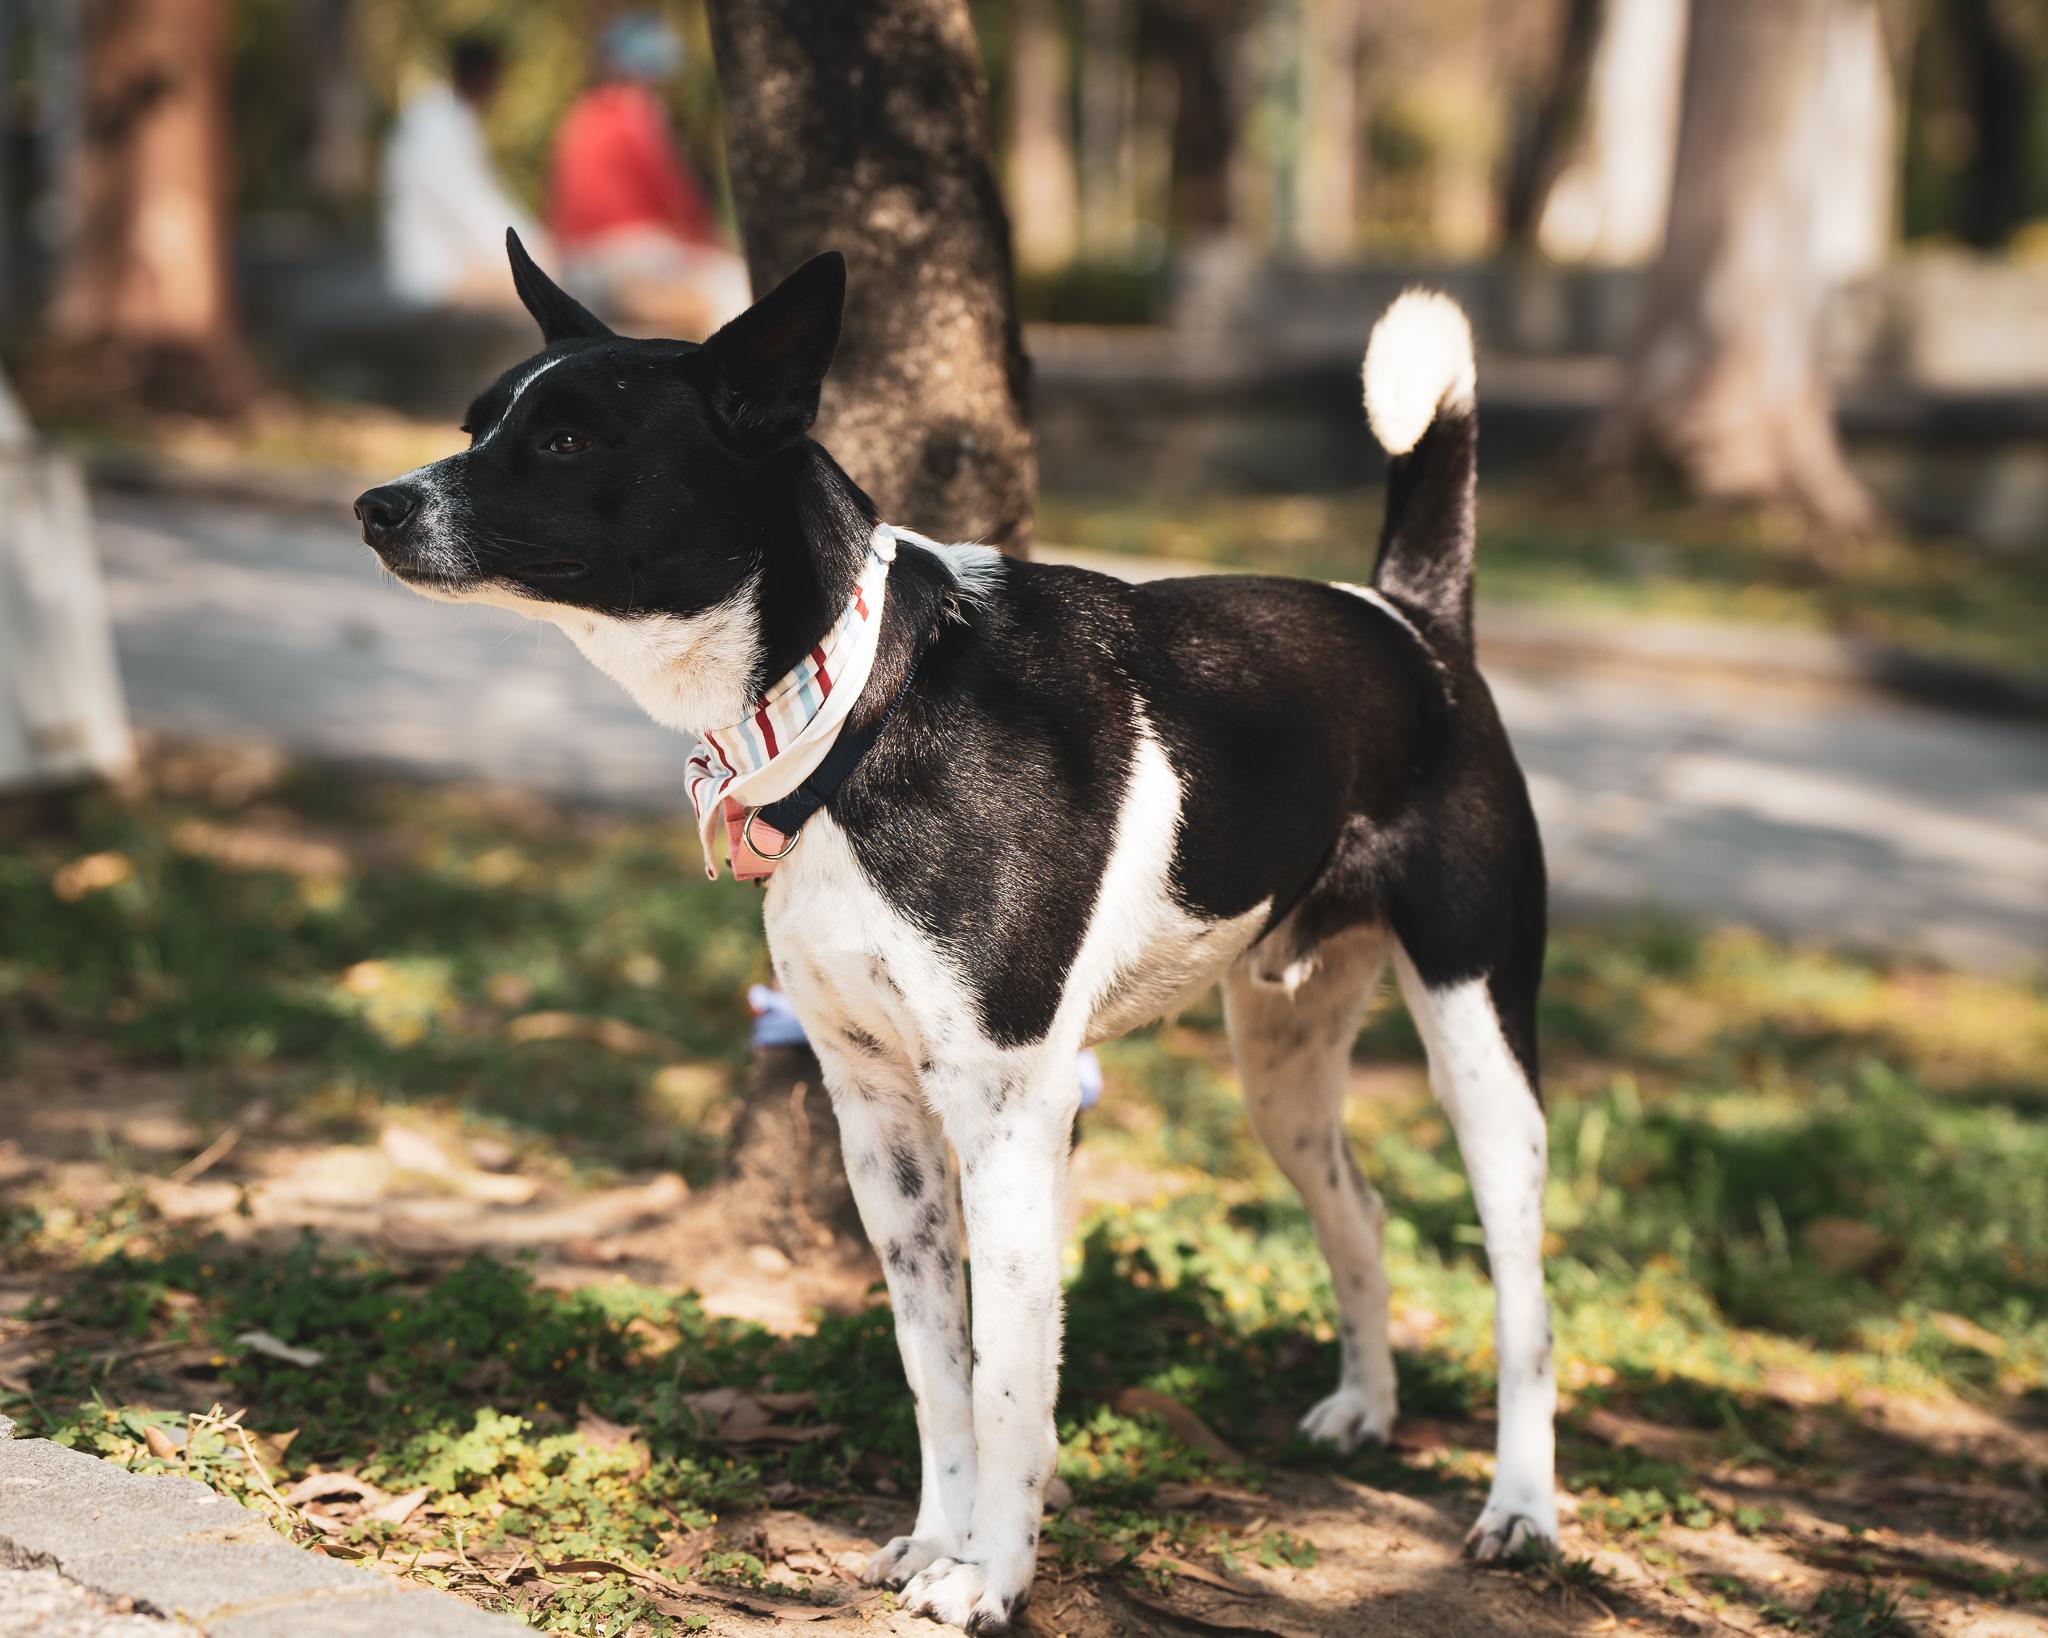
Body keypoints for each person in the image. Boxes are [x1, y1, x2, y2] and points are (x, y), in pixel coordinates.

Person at [546, 13, 751, 336]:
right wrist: (716, 241)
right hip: (629, 260)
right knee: (736, 284)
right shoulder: (638, 109)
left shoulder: (578, 114)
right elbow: (677, 196)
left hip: (577, 267)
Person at [381, 34, 549, 308]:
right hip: (434, 273)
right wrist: (534, 246)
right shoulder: (441, 127)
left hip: (436, 264)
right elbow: (469, 207)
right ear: (483, 75)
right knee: (544, 290)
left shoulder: (441, 118)